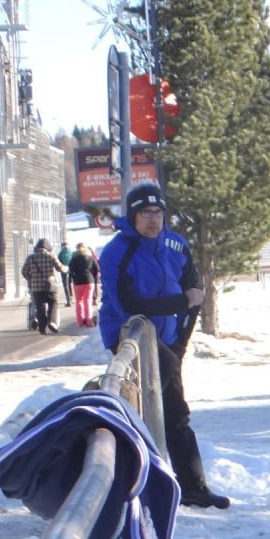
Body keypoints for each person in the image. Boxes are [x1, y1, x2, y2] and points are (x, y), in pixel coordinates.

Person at [99, 183, 230, 509]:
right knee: (149, 410)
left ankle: (193, 487)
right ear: (133, 215)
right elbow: (128, 306)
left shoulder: (174, 245)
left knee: (173, 412)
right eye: (145, 213)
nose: (153, 219)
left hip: (168, 340)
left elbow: (195, 296)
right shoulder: (117, 251)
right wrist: (179, 302)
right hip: (128, 335)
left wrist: (181, 344)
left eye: (158, 212)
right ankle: (135, 488)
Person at [20, 239, 65, 334]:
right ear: (47, 248)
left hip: (36, 287)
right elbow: (60, 268)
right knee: (53, 303)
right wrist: (67, 268)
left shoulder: (30, 258)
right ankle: (52, 322)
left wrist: (31, 279)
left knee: (40, 307)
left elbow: (24, 271)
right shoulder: (51, 256)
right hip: (50, 286)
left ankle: (42, 328)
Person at [68, 242, 100, 328]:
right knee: (88, 301)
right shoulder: (90, 258)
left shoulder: (74, 259)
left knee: (79, 301)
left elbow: (70, 271)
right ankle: (89, 322)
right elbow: (97, 269)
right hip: (89, 281)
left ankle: (80, 322)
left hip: (78, 282)